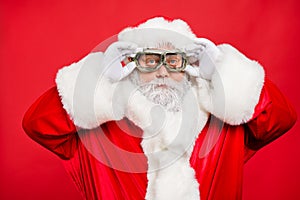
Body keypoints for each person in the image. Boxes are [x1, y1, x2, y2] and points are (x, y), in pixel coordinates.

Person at [22, 17, 297, 200]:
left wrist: (225, 76)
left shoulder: (223, 128)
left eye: (174, 61)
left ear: (191, 68)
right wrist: (98, 80)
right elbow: (36, 124)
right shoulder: (97, 135)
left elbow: (280, 118)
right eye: (151, 61)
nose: (163, 72)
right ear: (130, 68)